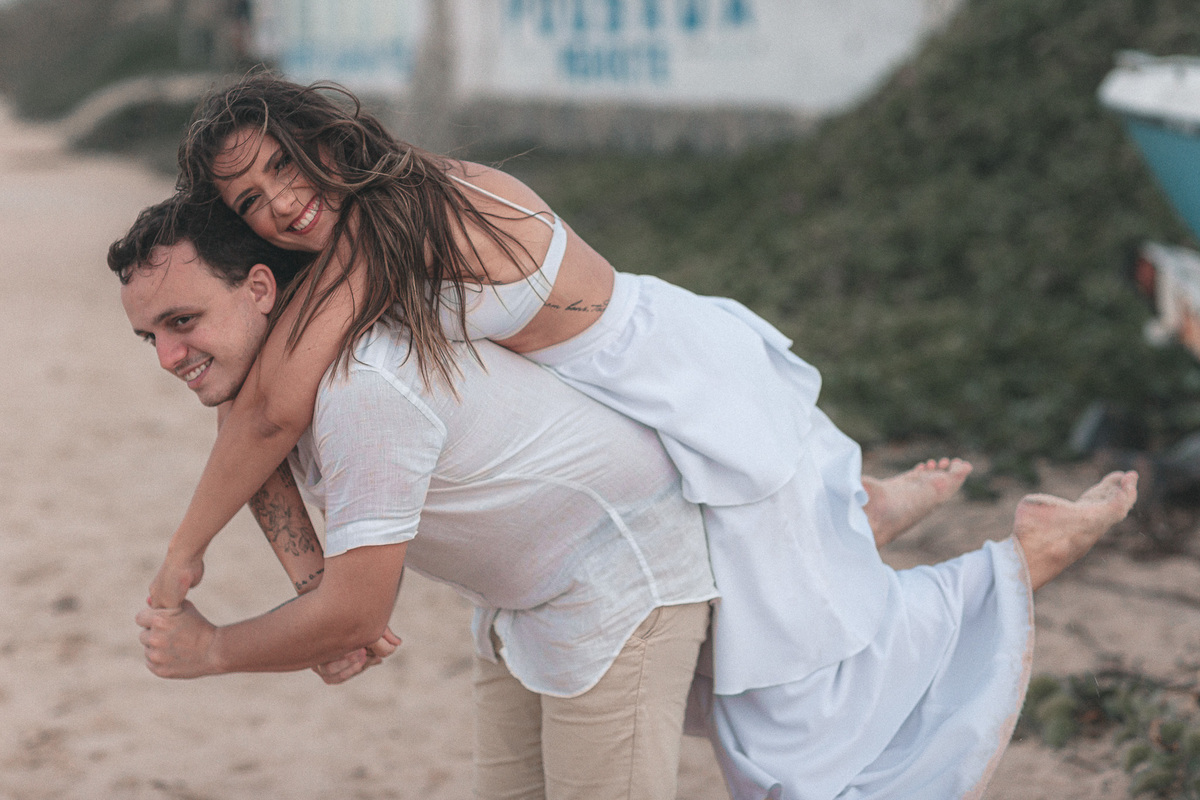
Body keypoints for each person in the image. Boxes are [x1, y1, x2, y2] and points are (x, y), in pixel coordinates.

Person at [150, 74, 1138, 799]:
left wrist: (185, 555)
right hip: (616, 385)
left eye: (282, 165)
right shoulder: (346, 244)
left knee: (793, 685)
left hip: (663, 369)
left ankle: (962, 546)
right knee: (781, 587)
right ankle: (862, 508)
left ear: (327, 135)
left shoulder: (397, 213)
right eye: (250, 201)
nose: (279, 201)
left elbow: (273, 409)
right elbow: (260, 396)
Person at [113, 196, 720, 799]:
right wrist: (313, 591)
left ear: (260, 289)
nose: (168, 357)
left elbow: (357, 614)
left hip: (618, 580)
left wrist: (212, 649)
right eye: (150, 337)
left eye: (182, 321)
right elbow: (250, 445)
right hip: (518, 597)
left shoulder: (362, 388)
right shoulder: (269, 384)